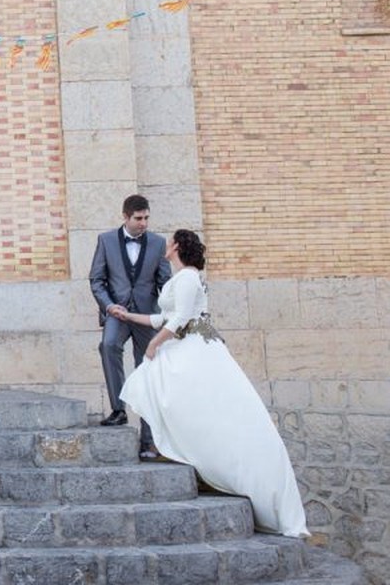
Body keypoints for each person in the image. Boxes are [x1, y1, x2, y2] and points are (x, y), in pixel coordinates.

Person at [115, 229, 309, 538]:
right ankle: (171, 445)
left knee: (166, 387)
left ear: (177, 246)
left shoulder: (189, 277)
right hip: (183, 342)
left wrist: (153, 346)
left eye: (169, 242)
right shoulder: (179, 278)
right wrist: (128, 316)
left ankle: (173, 448)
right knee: (153, 385)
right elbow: (161, 318)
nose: (165, 245)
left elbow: (178, 321)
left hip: (195, 345)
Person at [89, 194, 172, 459]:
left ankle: (148, 440)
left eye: (146, 218)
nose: (144, 223)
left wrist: (164, 314)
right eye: (138, 218)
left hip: (147, 316)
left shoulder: (158, 244)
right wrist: (108, 305)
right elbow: (96, 279)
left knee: (146, 369)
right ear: (125, 217)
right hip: (118, 312)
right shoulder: (106, 240)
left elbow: (165, 282)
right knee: (108, 345)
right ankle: (118, 409)